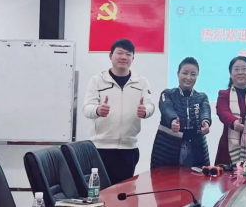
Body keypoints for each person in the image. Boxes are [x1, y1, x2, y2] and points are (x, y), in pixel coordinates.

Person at [83, 38, 154, 185]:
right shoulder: (97, 80)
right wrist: (97, 110)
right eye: (120, 53)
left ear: (133, 58)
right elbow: (87, 108)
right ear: (110, 56)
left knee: (125, 191)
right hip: (101, 147)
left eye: (128, 54)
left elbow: (150, 106)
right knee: (102, 191)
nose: (123, 57)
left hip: (129, 148)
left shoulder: (141, 81)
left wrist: (145, 111)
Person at [150, 57, 211, 168]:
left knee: (197, 177)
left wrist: (205, 122)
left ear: (197, 76)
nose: (189, 77)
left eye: (193, 74)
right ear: (178, 73)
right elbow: (167, 109)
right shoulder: (167, 94)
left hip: (197, 148)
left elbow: (205, 112)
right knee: (165, 178)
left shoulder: (202, 97)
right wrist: (173, 120)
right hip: (167, 148)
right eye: (185, 73)